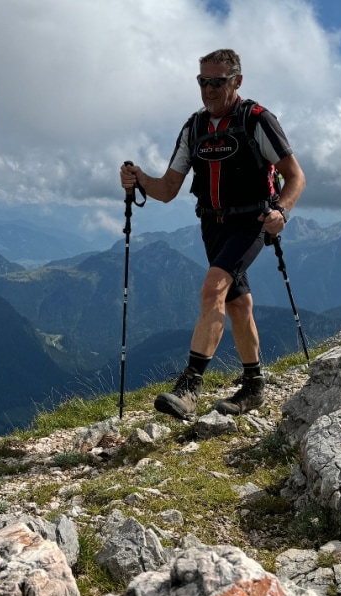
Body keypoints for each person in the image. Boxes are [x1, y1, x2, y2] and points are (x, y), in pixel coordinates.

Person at [119, 48, 305, 420]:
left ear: (236, 81)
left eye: (217, 82)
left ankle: (189, 387)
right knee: (239, 303)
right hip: (211, 225)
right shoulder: (194, 128)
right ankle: (253, 388)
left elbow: (295, 175)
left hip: (251, 223)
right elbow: (169, 188)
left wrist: (281, 211)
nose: (208, 89)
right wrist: (138, 179)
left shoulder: (258, 120)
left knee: (213, 288)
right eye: (202, 81)